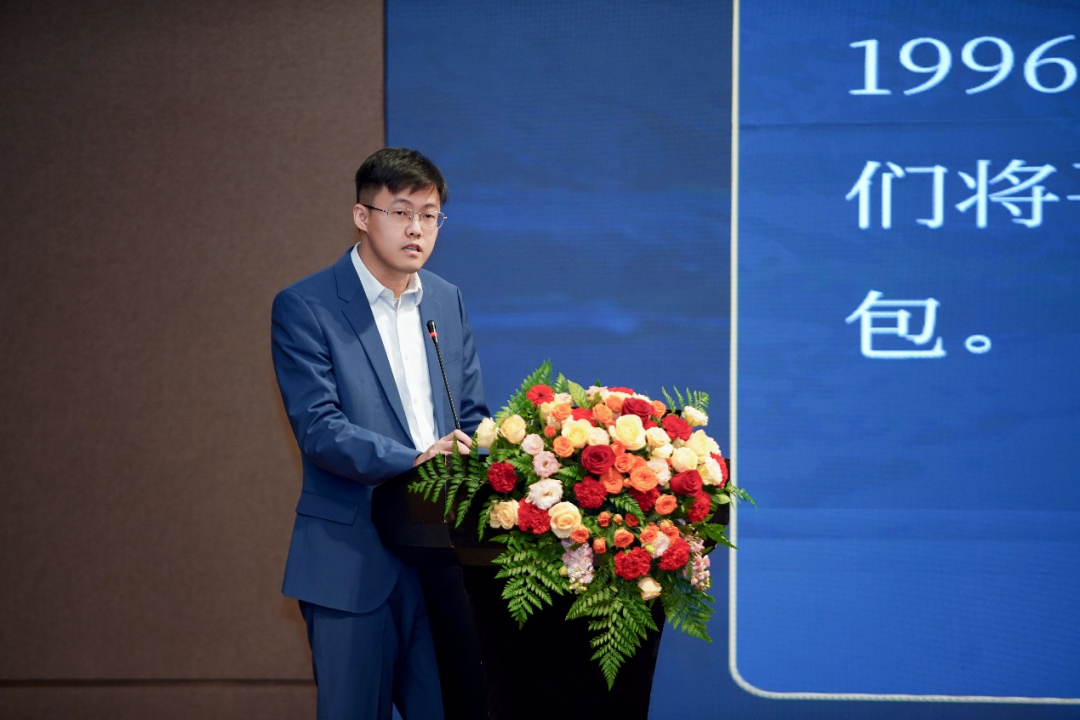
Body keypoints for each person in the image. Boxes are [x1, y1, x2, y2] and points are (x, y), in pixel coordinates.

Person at [271, 147, 489, 719]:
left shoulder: (445, 299)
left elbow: (470, 416)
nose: (417, 229)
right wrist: (415, 460)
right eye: (401, 212)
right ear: (362, 216)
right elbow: (319, 428)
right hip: (350, 560)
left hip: (440, 559)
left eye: (430, 215)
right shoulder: (306, 306)